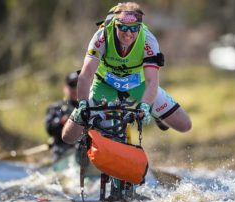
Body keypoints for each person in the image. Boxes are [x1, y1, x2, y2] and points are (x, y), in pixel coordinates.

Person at [62, 2, 191, 144]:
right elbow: (86, 74)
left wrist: (146, 106)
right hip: (105, 84)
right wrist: (83, 104)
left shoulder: (148, 40)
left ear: (140, 27)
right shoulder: (101, 36)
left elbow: (152, 81)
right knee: (68, 137)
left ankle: (157, 116)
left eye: (134, 28)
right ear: (114, 25)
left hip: (138, 84)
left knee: (185, 125)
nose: (128, 33)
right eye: (123, 27)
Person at [45, 71, 79, 161]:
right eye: (72, 85)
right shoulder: (56, 107)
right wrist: (62, 122)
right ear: (66, 88)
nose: (75, 89)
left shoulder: (89, 107)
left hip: (82, 152)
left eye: (79, 85)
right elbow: (49, 129)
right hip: (62, 151)